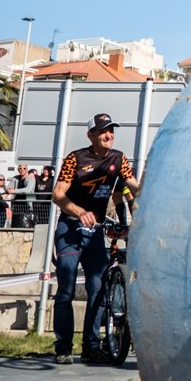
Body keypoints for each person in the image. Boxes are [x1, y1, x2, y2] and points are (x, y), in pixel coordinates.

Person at [52, 113, 141, 365]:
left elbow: (134, 188)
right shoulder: (75, 158)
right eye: (103, 131)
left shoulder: (119, 158)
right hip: (70, 229)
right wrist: (80, 212)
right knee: (67, 288)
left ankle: (91, 347)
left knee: (99, 289)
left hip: (95, 233)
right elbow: (57, 195)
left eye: (111, 130)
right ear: (90, 135)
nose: (108, 135)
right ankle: (63, 347)